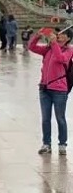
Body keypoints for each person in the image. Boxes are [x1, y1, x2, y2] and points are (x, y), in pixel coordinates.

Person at [29, 27, 73, 155]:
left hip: (59, 90)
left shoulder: (69, 50)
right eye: (59, 33)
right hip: (44, 89)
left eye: (63, 34)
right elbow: (32, 47)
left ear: (68, 38)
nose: (59, 35)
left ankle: (62, 144)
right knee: (45, 119)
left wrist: (54, 43)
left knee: (60, 118)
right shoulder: (48, 49)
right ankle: (46, 144)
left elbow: (61, 59)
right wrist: (37, 36)